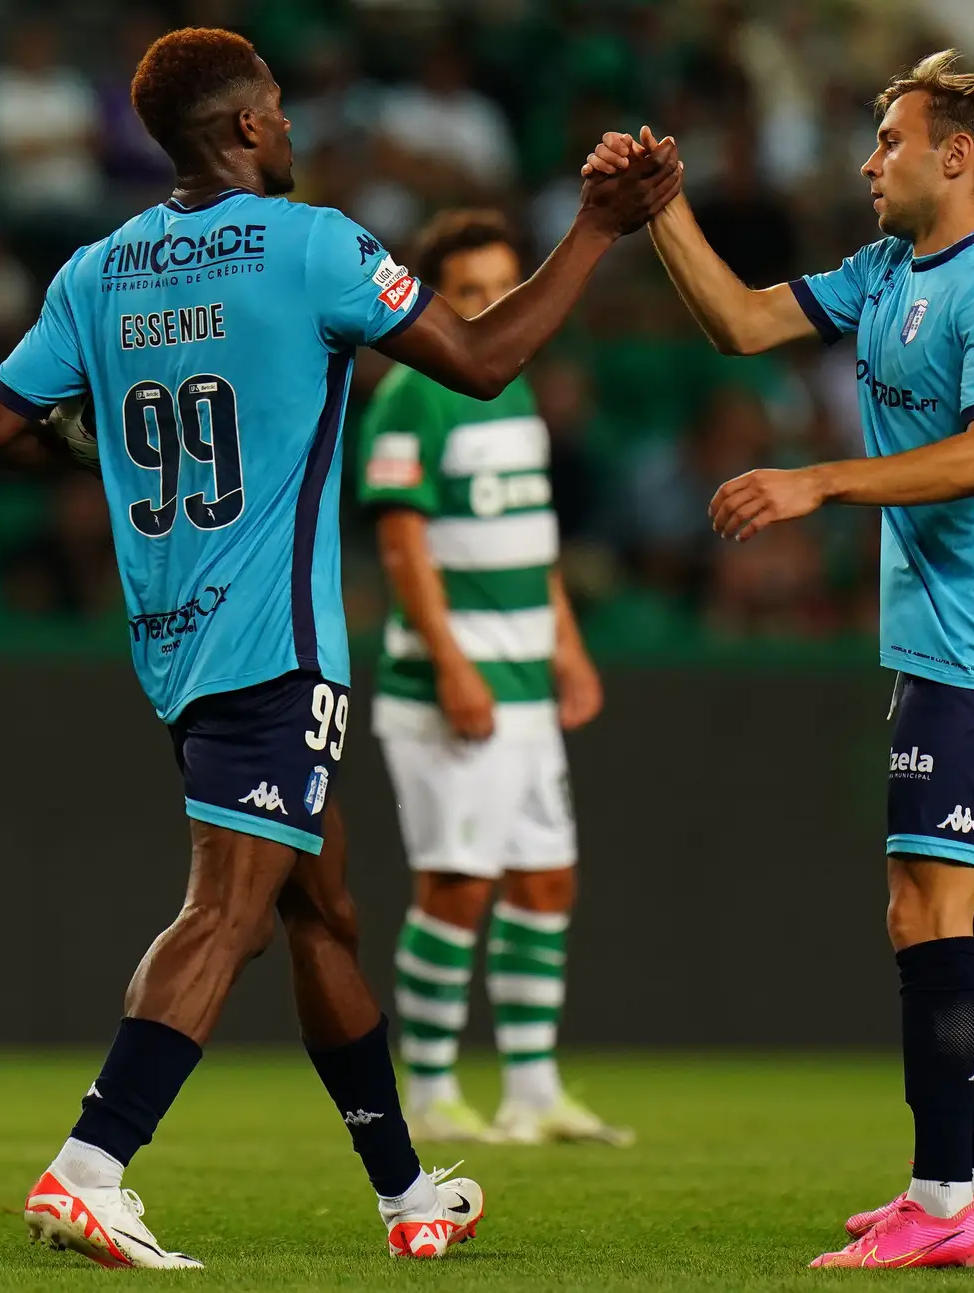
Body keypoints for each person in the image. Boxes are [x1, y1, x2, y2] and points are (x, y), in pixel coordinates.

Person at [0, 26, 680, 1270]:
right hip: (272, 641)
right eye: (279, 108)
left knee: (324, 912)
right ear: (241, 127)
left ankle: (404, 1194)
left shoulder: (99, 269)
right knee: (231, 907)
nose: (290, 126)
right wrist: (600, 231)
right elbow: (486, 358)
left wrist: (103, 451)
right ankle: (91, 1163)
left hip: (175, 638)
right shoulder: (311, 246)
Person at [587, 48, 974, 1269]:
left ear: (956, 157)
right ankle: (958, 1190)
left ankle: (945, 1198)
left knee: (927, 911)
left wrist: (816, 481)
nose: (870, 163)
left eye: (893, 143)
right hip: (953, 643)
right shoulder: (886, 271)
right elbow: (743, 322)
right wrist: (663, 213)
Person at [355, 209, 628, 1148]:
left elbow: (529, 541)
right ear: (432, 300)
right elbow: (400, 545)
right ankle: (427, 1089)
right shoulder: (408, 396)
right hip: (449, 684)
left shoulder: (511, 392)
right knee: (458, 883)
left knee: (546, 878)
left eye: (503, 290)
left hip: (524, 679)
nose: (490, 309)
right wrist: (453, 666)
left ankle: (532, 1088)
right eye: (468, 293)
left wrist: (568, 645)